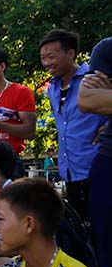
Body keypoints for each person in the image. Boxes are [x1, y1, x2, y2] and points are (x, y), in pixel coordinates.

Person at [39, 29, 106, 223]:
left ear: (70, 53)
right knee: (81, 228)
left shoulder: (94, 79)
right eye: (43, 58)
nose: (47, 63)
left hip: (96, 166)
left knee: (101, 227)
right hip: (69, 171)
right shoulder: (52, 88)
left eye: (51, 56)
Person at [79, 36, 112, 267]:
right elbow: (88, 100)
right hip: (108, 162)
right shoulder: (107, 48)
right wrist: (99, 95)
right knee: (106, 251)